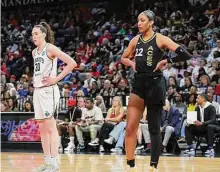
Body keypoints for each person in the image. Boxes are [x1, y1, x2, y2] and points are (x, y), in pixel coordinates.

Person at [121, 10, 192, 172]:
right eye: (138, 20)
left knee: (154, 127)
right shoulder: (135, 40)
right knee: (131, 126)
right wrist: (130, 63)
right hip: (138, 82)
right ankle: (130, 165)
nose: (139, 23)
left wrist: (166, 60)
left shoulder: (160, 38)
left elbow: (185, 54)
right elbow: (123, 58)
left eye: (142, 20)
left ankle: (153, 166)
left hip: (155, 84)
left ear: (151, 22)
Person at [32, 22, 76, 172]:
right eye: (32, 34)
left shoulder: (50, 48)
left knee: (51, 127)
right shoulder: (34, 52)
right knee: (42, 128)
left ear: (44, 34)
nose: (34, 37)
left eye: (36, 34)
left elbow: (72, 63)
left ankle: (55, 162)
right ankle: (47, 161)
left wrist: (56, 79)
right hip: (37, 91)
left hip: (48, 91)